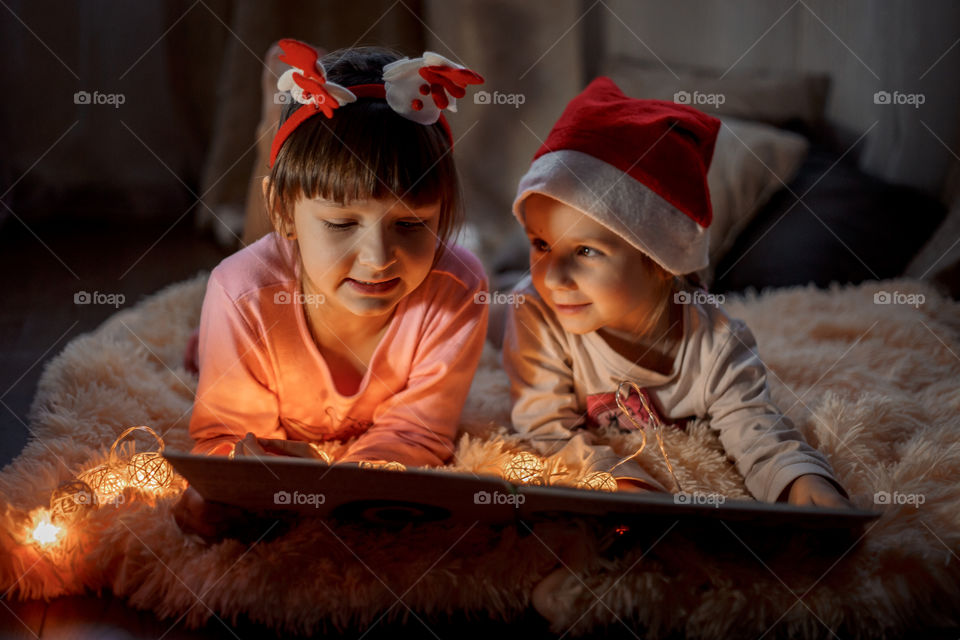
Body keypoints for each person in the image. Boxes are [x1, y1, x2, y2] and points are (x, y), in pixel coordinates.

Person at [174, 40, 488, 540]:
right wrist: (237, 486)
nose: (378, 258)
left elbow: (418, 433)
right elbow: (225, 436)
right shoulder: (241, 294)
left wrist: (353, 482)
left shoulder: (459, 290)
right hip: (264, 286)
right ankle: (268, 129)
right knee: (251, 263)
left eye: (410, 225)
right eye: (343, 223)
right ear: (286, 211)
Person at [502, 77, 851, 509]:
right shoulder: (536, 312)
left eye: (585, 251)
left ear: (660, 259)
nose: (553, 278)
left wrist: (799, 481)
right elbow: (544, 428)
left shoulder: (717, 342)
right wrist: (615, 480)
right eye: (540, 244)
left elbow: (756, 425)